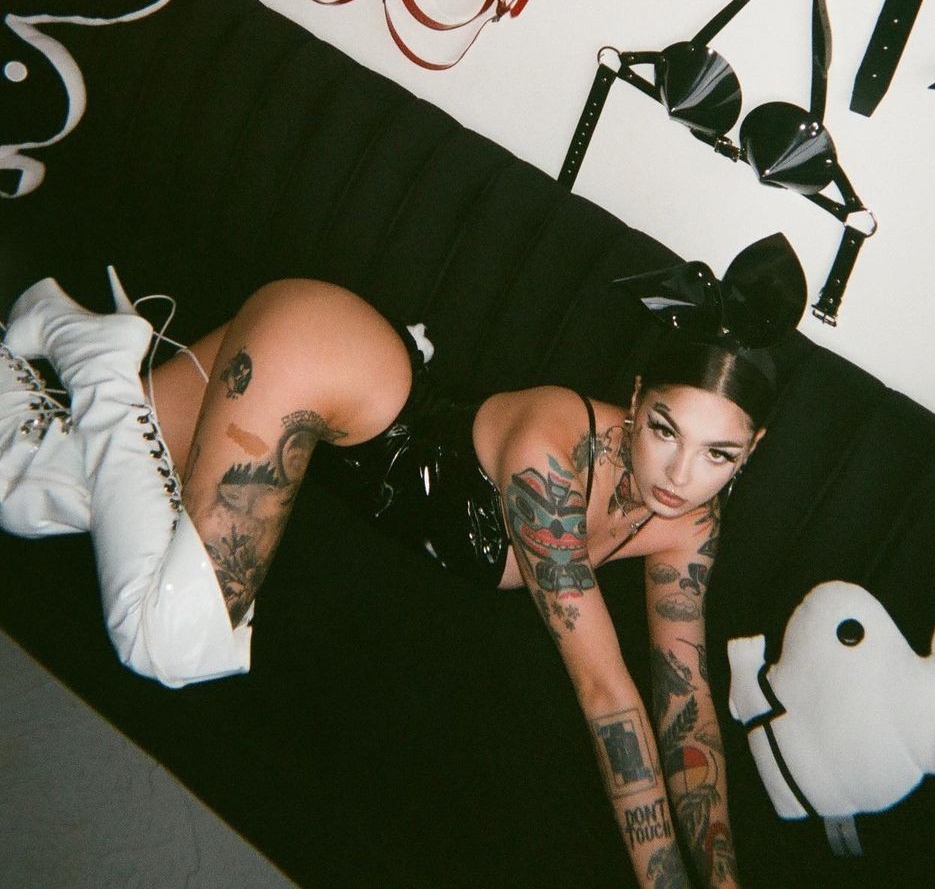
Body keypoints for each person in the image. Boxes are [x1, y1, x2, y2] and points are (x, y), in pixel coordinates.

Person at [0, 254, 793, 889]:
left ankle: (68, 330)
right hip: (318, 354)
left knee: (44, 492)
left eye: (718, 455)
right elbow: (608, 695)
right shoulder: (552, 460)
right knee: (165, 640)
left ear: (750, 452)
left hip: (342, 386)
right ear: (637, 399)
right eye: (664, 430)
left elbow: (686, 703)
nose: (680, 476)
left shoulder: (691, 522)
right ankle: (103, 364)